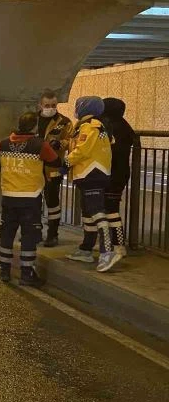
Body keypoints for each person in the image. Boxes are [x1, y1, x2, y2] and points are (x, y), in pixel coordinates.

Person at [0, 112, 62, 285]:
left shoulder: (4, 143)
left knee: (7, 233)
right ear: (34, 126)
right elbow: (56, 161)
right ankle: (27, 273)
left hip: (9, 195)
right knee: (29, 235)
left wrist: (4, 168)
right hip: (30, 196)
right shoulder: (39, 145)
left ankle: (4, 270)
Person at [64, 96, 119, 272]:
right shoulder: (91, 126)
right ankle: (86, 249)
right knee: (88, 214)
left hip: (92, 173)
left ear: (84, 108)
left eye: (78, 106)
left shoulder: (91, 126)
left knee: (97, 213)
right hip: (88, 174)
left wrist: (66, 162)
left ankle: (107, 252)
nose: (76, 109)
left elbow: (82, 149)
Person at [99, 97, 135, 260]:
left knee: (111, 210)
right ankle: (114, 244)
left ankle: (118, 245)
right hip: (119, 173)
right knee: (110, 208)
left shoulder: (109, 127)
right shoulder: (125, 126)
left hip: (111, 173)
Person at [37, 89, 74, 247]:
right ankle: (34, 231)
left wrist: (61, 144)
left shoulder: (64, 122)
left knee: (52, 200)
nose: (50, 108)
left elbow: (71, 140)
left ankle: (52, 234)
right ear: (40, 105)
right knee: (33, 200)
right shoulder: (33, 120)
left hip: (54, 166)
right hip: (34, 166)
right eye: (47, 105)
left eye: (53, 105)